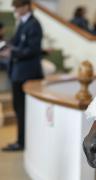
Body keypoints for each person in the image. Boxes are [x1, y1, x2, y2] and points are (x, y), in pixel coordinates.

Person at [0, 0, 43, 151]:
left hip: (27, 73)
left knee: (23, 110)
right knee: (18, 109)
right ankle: (21, 140)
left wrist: (12, 52)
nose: (15, 10)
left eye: (17, 7)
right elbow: (15, 42)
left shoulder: (33, 24)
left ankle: (22, 142)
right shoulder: (22, 22)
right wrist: (5, 46)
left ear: (26, 6)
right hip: (18, 72)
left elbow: (33, 50)